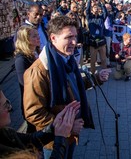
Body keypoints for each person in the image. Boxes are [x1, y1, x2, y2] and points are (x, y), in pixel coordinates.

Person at [23, 16, 111, 159]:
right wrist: (68, 126)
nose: (74, 42)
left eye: (75, 36)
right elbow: (34, 113)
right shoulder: (38, 71)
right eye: (68, 37)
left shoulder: (67, 59)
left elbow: (75, 85)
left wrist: (96, 78)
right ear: (53, 38)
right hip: (54, 141)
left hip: (70, 136)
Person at [0, 89, 79, 158]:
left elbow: (30, 140)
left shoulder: (5, 132)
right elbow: (33, 113)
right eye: (5, 105)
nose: (10, 108)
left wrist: (54, 126)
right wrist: (60, 138)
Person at [14, 26, 40, 133]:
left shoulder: (35, 52)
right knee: (33, 133)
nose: (38, 37)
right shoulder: (21, 59)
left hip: (40, 100)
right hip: (31, 103)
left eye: (38, 34)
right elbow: (25, 83)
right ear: (26, 39)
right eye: (35, 36)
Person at [86, 0, 108, 74]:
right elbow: (87, 10)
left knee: (103, 59)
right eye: (94, 8)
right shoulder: (89, 18)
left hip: (101, 42)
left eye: (96, 8)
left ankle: (105, 72)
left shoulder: (101, 18)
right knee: (93, 60)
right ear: (92, 10)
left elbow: (106, 13)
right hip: (93, 42)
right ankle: (92, 74)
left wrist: (102, 3)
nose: (95, 9)